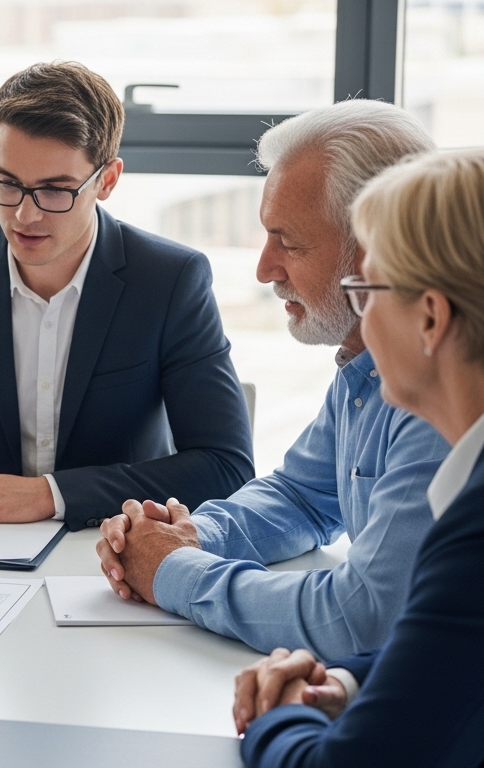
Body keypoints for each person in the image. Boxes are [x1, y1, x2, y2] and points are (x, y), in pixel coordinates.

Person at [234, 148, 484, 765]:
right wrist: (344, 683)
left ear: (430, 318)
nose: (361, 326)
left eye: (367, 293)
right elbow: (482, 649)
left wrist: (280, 713)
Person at [0, 62, 253, 546]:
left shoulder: (169, 280)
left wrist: (48, 495)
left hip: (109, 545)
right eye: (6, 182)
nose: (24, 214)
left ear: (107, 180)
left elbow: (225, 465)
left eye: (55, 189)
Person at [95, 100, 449, 659]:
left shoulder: (443, 395)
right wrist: (189, 536)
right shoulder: (364, 366)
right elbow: (301, 496)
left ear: (379, 245)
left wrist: (172, 571)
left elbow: (361, 616)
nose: (264, 269)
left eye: (290, 241)